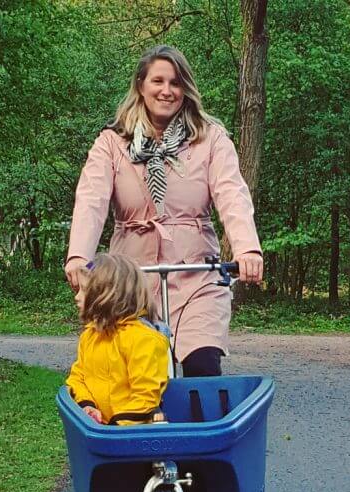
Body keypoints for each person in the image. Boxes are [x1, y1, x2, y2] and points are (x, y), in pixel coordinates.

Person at [64, 45, 263, 377]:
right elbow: (91, 201)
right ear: (141, 85)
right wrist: (78, 258)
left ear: (185, 89)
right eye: (158, 81)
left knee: (202, 364)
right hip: (131, 278)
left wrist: (246, 249)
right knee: (137, 371)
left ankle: (201, 426)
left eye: (175, 83)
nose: (166, 91)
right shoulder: (112, 142)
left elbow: (232, 194)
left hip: (196, 272)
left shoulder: (211, 139)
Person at [66, 254, 169, 426]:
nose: (77, 297)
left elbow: (145, 396)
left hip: (132, 436)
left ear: (107, 296)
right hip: (98, 430)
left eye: (84, 290)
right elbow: (78, 378)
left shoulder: (142, 339)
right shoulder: (90, 336)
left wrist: (115, 430)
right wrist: (87, 406)